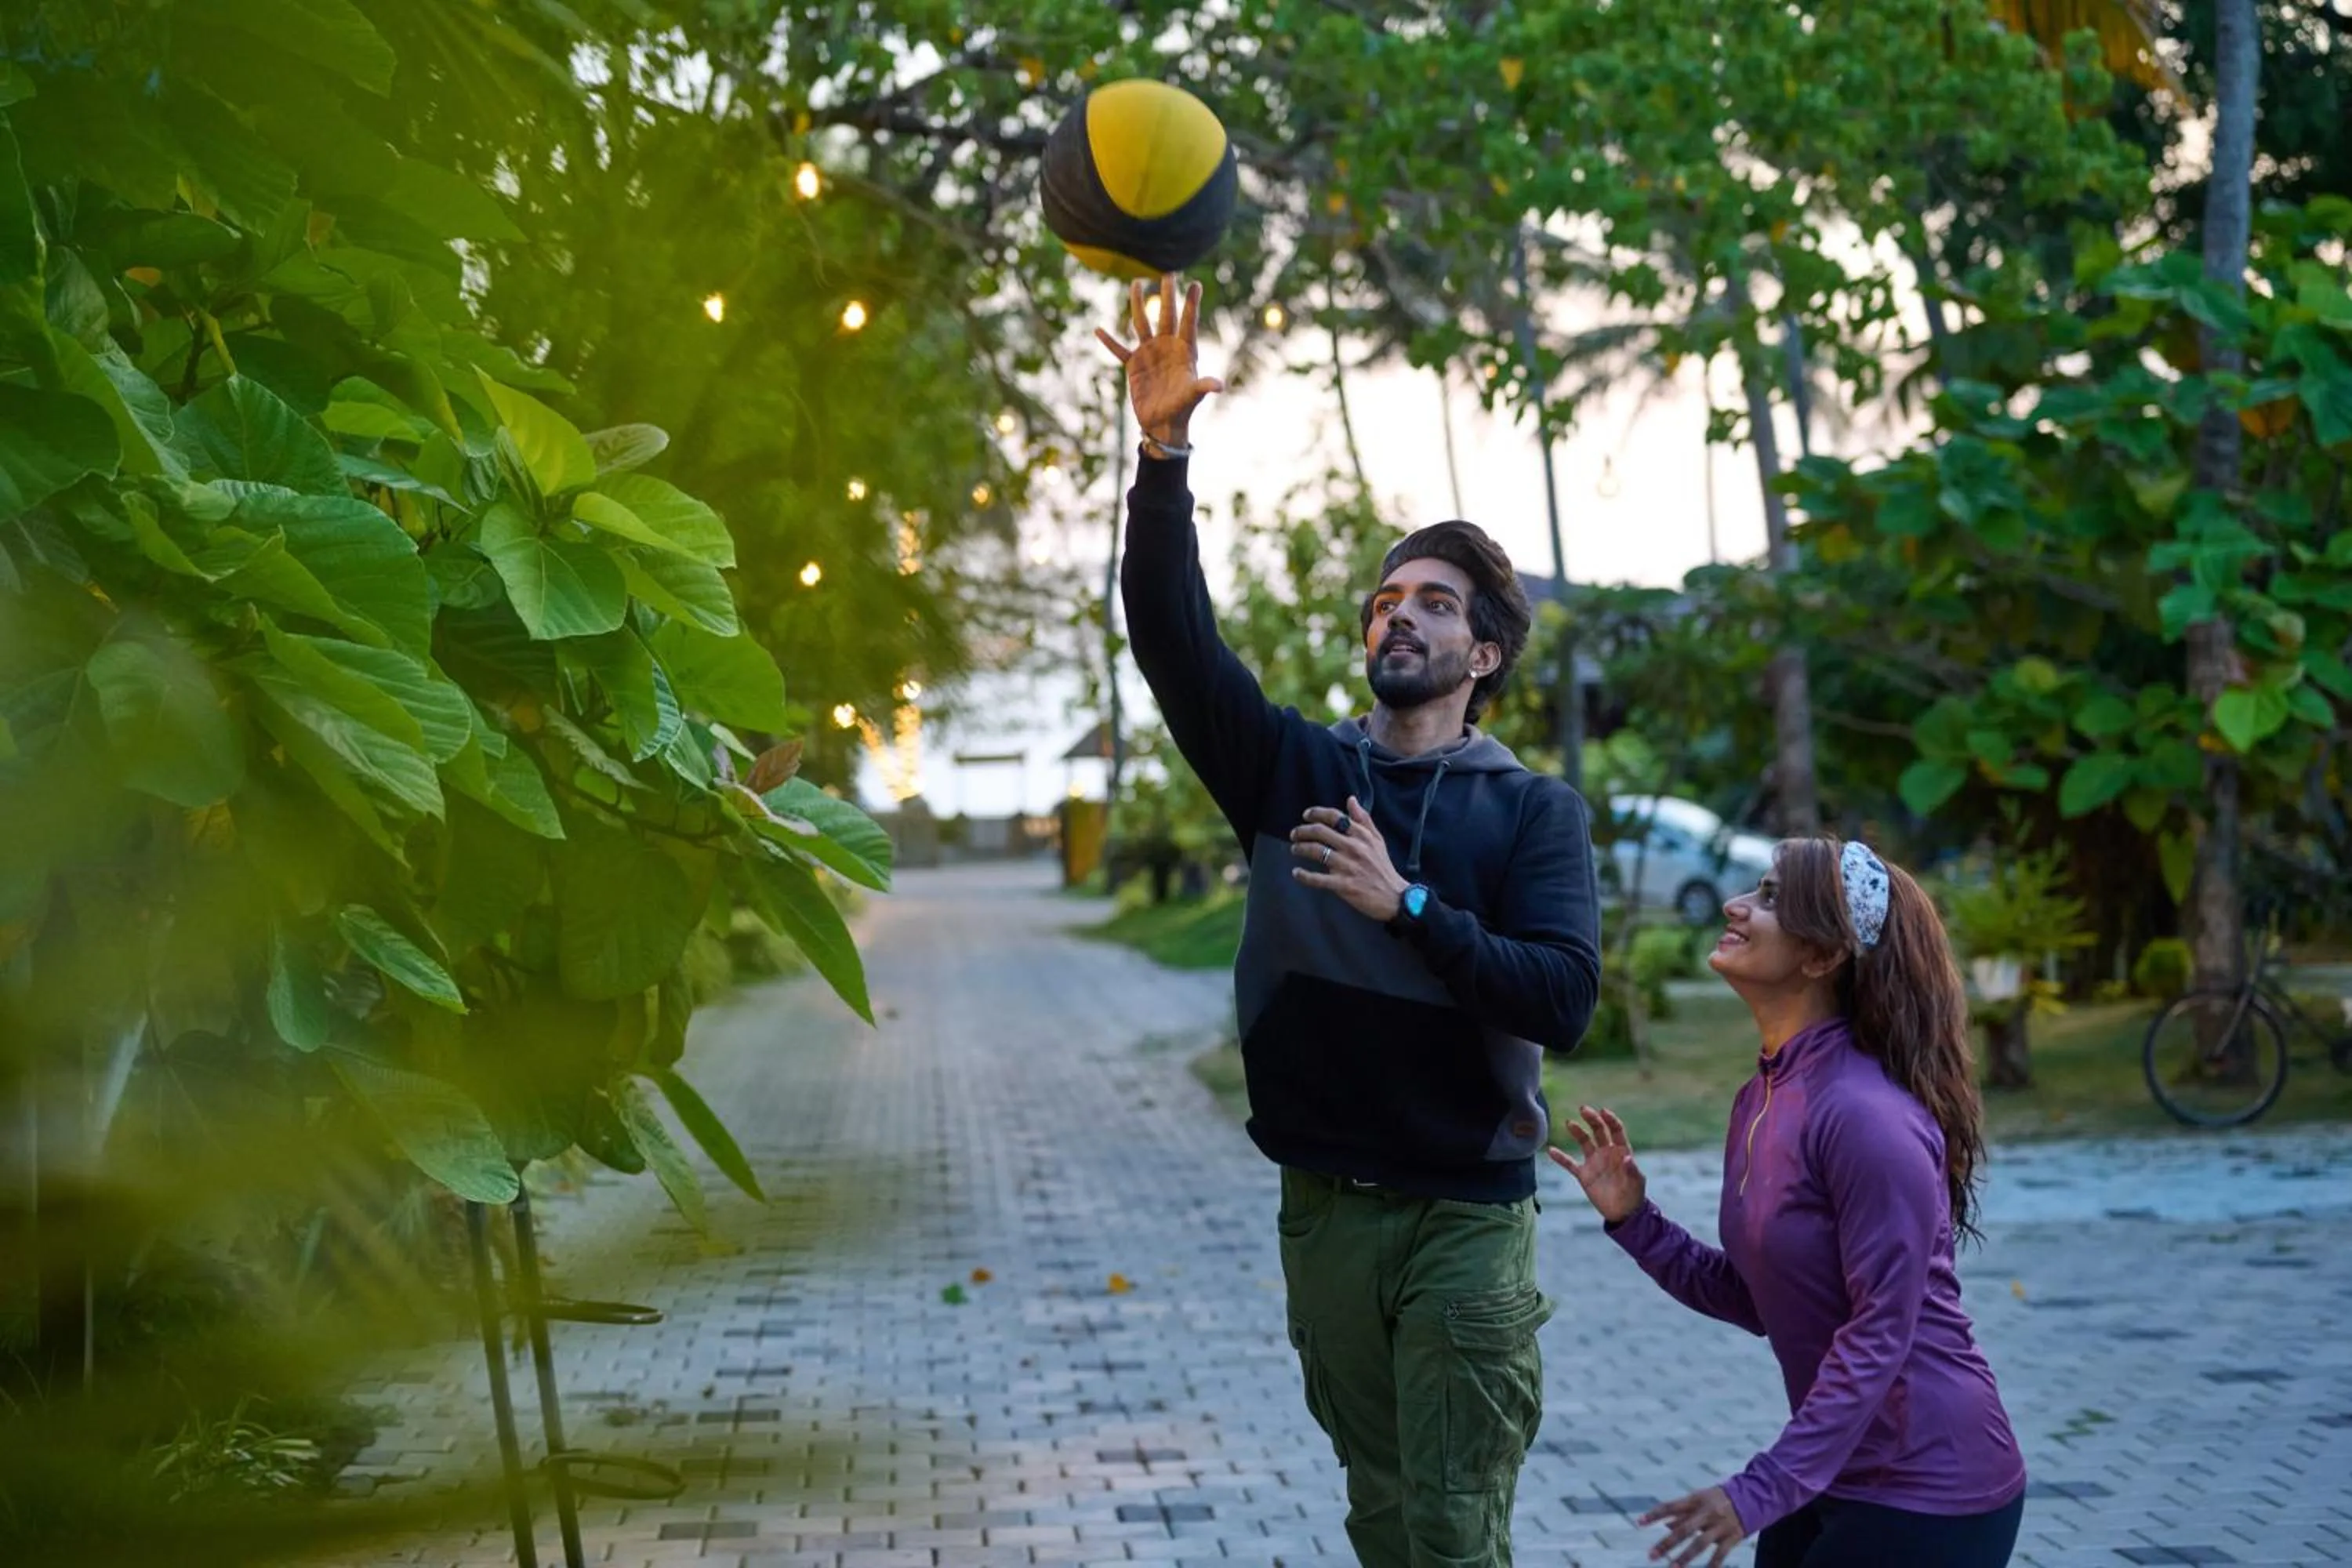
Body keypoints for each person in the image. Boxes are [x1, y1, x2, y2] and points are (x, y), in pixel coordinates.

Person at [1098, 272, 1602, 1566]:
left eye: (1436, 603)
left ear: (1482, 656)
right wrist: (1163, 456)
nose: (1402, 614)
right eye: (1388, 599)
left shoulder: (1531, 813)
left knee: (1450, 1523)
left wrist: (1409, 906)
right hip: (1323, 1208)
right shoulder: (1291, 774)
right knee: (1384, 1515)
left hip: (1465, 1217)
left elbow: (1562, 1000)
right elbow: (1173, 640)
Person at [1550, 837, 2028, 1568]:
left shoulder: (1868, 1118)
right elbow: (1766, 1300)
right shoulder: (1766, 1096)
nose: (1737, 906)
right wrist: (1634, 1221)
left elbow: (1880, 1333)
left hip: (1933, 1486)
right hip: (1833, 1468)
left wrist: (1757, 1491)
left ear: (1822, 956)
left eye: (1771, 898)